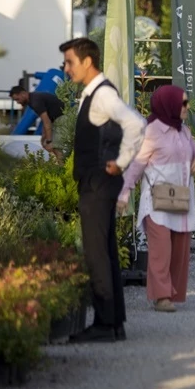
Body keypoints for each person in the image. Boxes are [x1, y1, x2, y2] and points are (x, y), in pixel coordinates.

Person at [59, 37, 146, 343]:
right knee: (106, 250)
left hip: (98, 183)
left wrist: (121, 161)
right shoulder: (94, 93)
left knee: (97, 253)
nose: (66, 68)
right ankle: (114, 322)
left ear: (87, 62)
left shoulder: (102, 94)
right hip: (99, 182)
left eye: (70, 62)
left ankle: (105, 324)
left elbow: (136, 123)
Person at [118, 85, 195, 313]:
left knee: (180, 249)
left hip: (182, 199)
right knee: (161, 250)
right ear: (169, 105)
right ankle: (161, 297)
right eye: (183, 103)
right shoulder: (151, 132)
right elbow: (137, 165)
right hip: (157, 201)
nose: (187, 108)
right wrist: (125, 193)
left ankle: (172, 292)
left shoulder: (183, 130)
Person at [9, 84, 65, 154]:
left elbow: (46, 121)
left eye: (17, 99)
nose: (18, 102)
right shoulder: (34, 99)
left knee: (55, 147)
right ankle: (60, 163)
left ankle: (62, 164)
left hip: (62, 118)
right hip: (58, 119)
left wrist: (49, 140)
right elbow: (46, 119)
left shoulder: (35, 101)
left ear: (23, 94)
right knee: (51, 147)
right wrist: (44, 136)